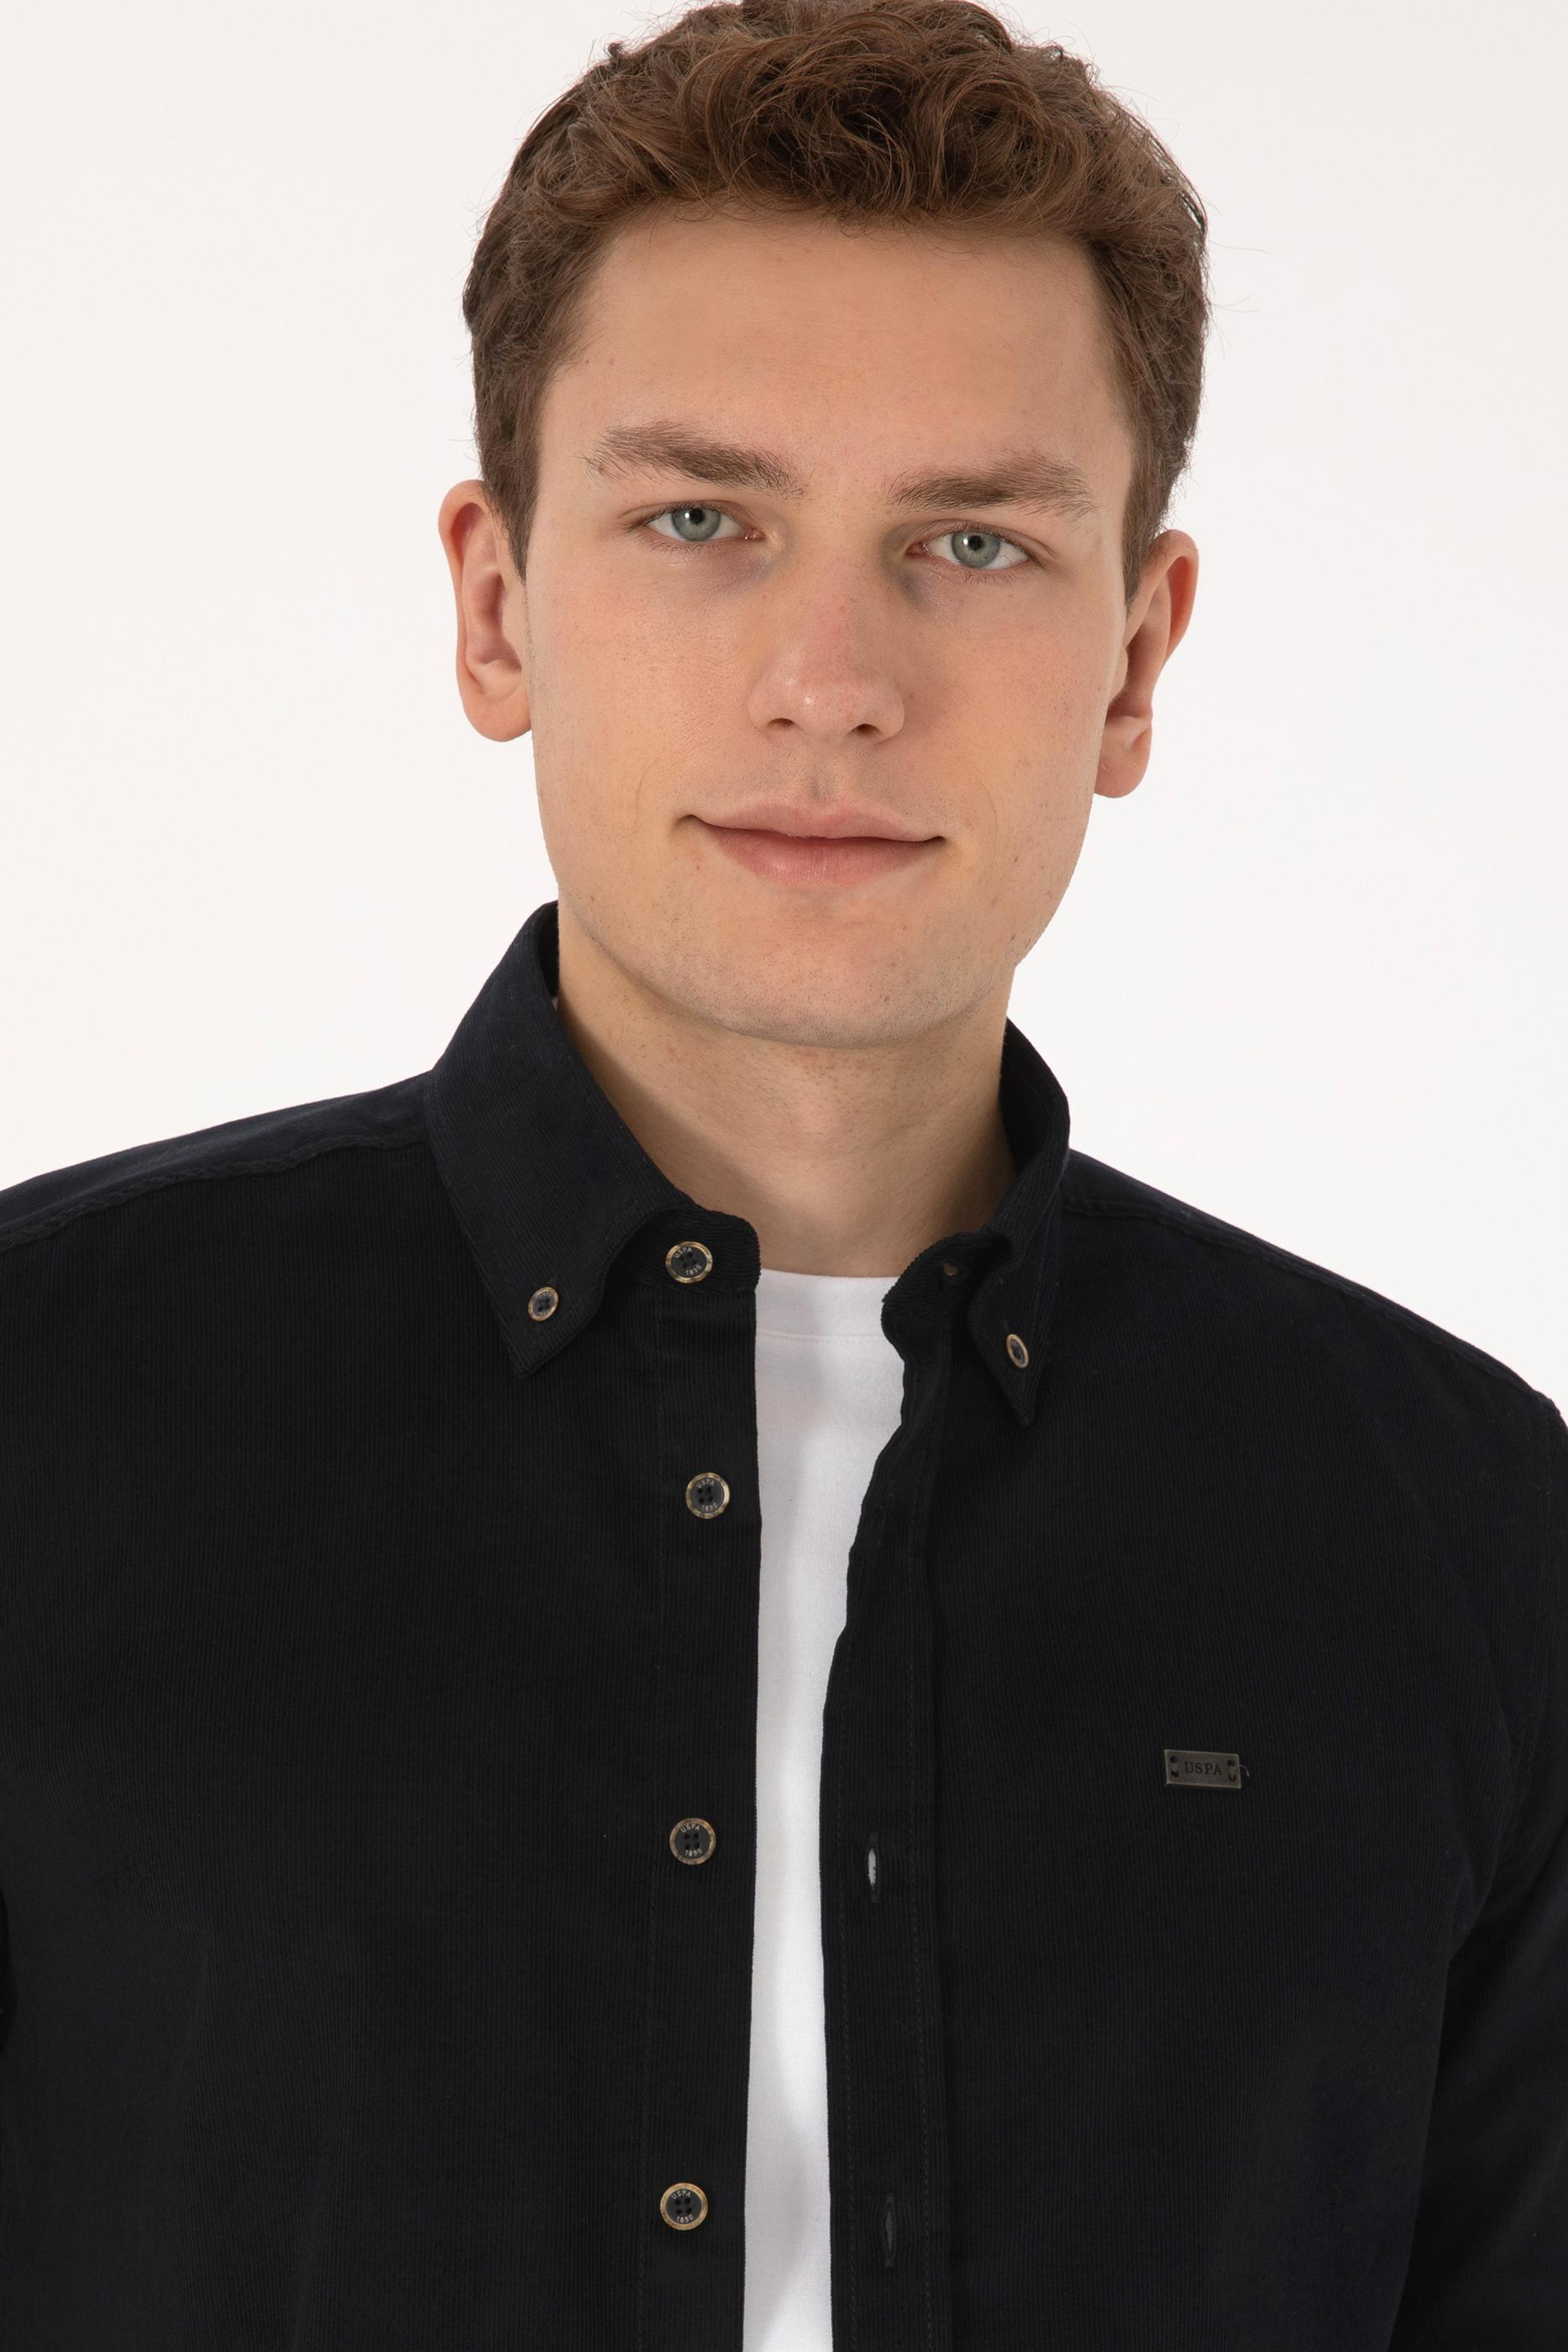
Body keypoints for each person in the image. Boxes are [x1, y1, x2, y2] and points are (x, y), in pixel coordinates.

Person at [1, 0, 1562, 2344]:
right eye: (700, 521)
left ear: (1134, 658)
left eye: (971, 539)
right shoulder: (39, 1412)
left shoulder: (1467, 1541)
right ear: (497, 604)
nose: (831, 678)